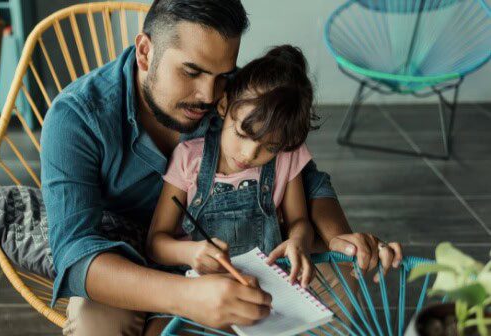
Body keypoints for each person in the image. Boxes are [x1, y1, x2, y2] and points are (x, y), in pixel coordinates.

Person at [41, 1, 403, 335]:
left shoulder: (236, 97)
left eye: (221, 76)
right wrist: (188, 296)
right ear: (145, 52)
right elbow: (75, 257)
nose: (208, 95)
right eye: (192, 72)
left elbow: (307, 179)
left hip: (244, 255)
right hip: (132, 259)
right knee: (94, 321)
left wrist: (338, 237)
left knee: (340, 273)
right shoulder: (77, 117)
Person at [145, 45, 320, 334]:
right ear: (225, 106)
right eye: (243, 133)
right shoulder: (189, 158)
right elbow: (155, 243)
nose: (250, 154)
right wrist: (189, 253)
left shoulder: (287, 158)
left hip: (263, 295)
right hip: (197, 292)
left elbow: (299, 220)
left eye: (270, 147)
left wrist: (298, 240)